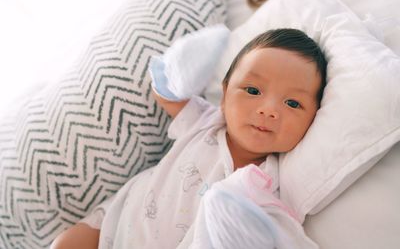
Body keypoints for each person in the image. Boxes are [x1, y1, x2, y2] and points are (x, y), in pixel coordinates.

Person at [51, 27, 327, 249]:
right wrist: (189, 63)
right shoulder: (205, 120)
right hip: (115, 223)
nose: (269, 110)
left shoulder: (272, 178)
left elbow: (277, 229)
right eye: (253, 90)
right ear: (225, 94)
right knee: (65, 243)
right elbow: (166, 90)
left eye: (292, 104)